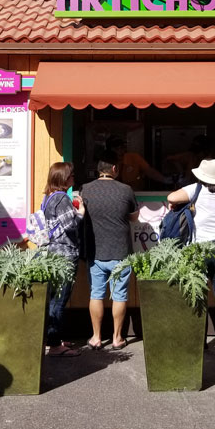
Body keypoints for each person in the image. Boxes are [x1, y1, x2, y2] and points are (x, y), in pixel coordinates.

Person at [166, 158, 215, 349]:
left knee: (199, 294)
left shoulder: (195, 190)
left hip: (200, 250)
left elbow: (172, 197)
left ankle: (200, 340)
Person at [80, 150, 138, 350]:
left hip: (95, 251)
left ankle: (96, 337)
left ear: (98, 170)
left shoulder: (85, 189)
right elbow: (134, 217)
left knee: (96, 294)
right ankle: (117, 338)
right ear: (114, 169)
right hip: (120, 251)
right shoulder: (126, 190)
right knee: (119, 295)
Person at [41, 161, 85, 357]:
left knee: (54, 298)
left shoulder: (49, 198)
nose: (73, 178)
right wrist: (81, 212)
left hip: (52, 253)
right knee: (59, 299)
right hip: (65, 254)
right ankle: (55, 345)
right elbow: (71, 225)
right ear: (63, 178)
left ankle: (56, 338)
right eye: (71, 175)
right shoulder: (62, 199)